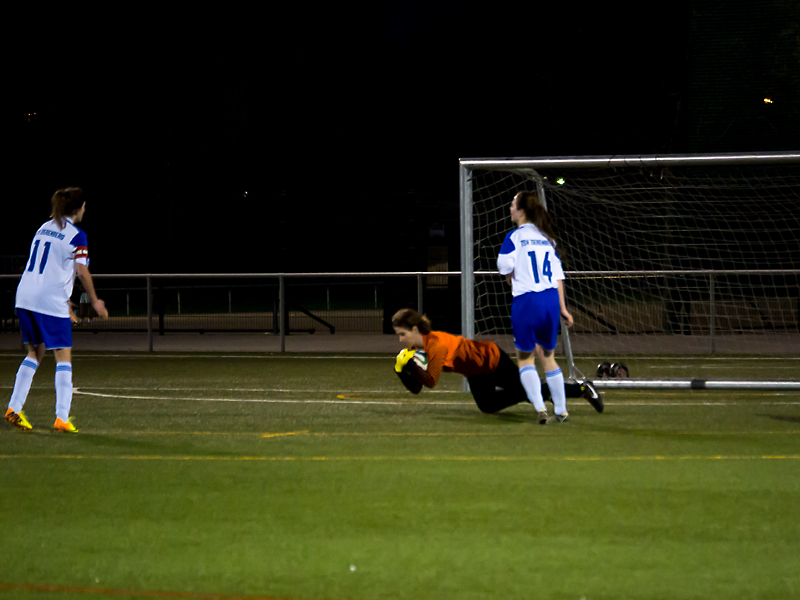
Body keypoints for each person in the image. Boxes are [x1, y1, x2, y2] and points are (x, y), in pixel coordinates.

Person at [5, 187, 108, 433]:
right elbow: (81, 271)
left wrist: (65, 300)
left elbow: (52, 267)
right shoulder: (77, 235)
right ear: (78, 208)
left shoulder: (43, 227)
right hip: (48, 301)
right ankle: (61, 417)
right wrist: (94, 301)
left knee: (35, 353)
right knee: (63, 357)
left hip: (25, 296)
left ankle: (14, 408)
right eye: (84, 206)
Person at [497, 191, 602, 424]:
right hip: (550, 301)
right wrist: (563, 308)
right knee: (549, 357)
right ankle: (562, 411)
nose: (510, 207)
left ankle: (540, 408)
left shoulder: (513, 237)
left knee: (525, 359)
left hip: (527, 301)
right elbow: (557, 276)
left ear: (522, 211)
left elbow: (504, 269)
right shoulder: (548, 239)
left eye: (513, 204)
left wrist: (512, 277)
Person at [392, 308, 528, 414]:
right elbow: (416, 388)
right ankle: (537, 392)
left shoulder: (436, 344)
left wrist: (410, 365)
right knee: (488, 406)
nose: (400, 340)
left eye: (402, 334)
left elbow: (430, 381)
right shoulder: (415, 348)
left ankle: (546, 391)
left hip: (490, 359)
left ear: (415, 329)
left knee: (527, 390)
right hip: (473, 371)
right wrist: (400, 371)